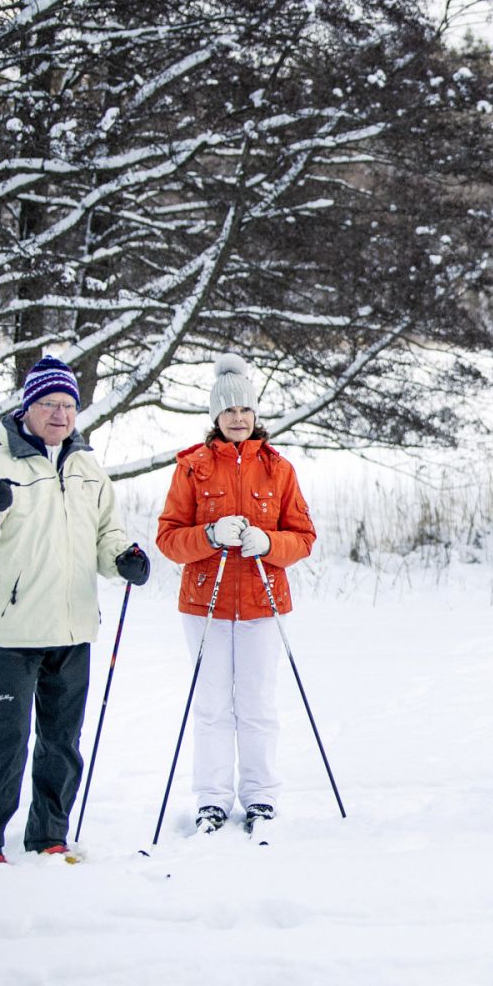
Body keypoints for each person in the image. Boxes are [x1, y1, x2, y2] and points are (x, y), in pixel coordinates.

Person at [0, 356, 150, 862]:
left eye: (67, 405)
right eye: (48, 404)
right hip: (13, 630)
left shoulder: (88, 468)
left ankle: (48, 834)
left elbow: (107, 534)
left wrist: (123, 558)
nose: (59, 415)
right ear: (27, 408)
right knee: (6, 741)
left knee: (62, 741)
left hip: (73, 626)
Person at [156, 355, 316, 835]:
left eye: (245, 409)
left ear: (255, 413)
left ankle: (260, 797)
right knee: (210, 706)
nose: (239, 418)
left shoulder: (279, 469)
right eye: (229, 411)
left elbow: (304, 537)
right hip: (205, 605)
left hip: (263, 604)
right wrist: (210, 535)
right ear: (215, 417)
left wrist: (270, 544)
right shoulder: (192, 469)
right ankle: (211, 799)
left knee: (257, 703)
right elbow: (168, 539)